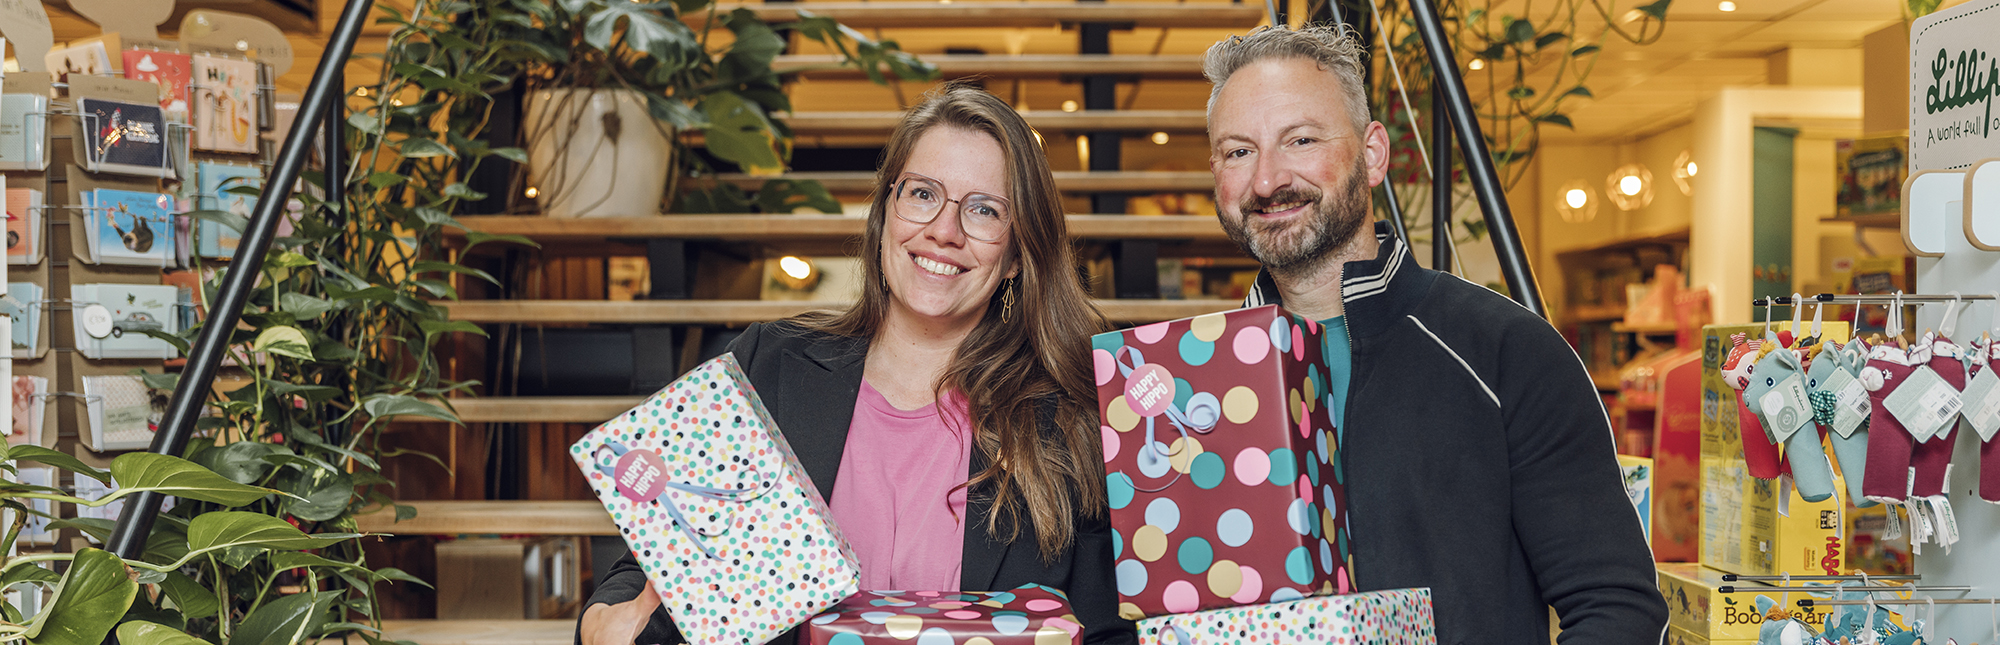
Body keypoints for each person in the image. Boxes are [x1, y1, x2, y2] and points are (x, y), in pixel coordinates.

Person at [579, 85, 1136, 645]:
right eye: (922, 194)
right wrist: (602, 619)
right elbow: (650, 568)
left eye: (984, 210)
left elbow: (1111, 629)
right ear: (886, 211)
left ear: (1016, 254)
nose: (944, 230)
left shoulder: (1073, 415)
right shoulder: (767, 369)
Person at [1201, 25, 1668, 643]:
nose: (1266, 180)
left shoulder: (1506, 352)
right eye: (1238, 151)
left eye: (1301, 139)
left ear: (1373, 153)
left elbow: (1617, 609)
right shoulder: (1195, 390)